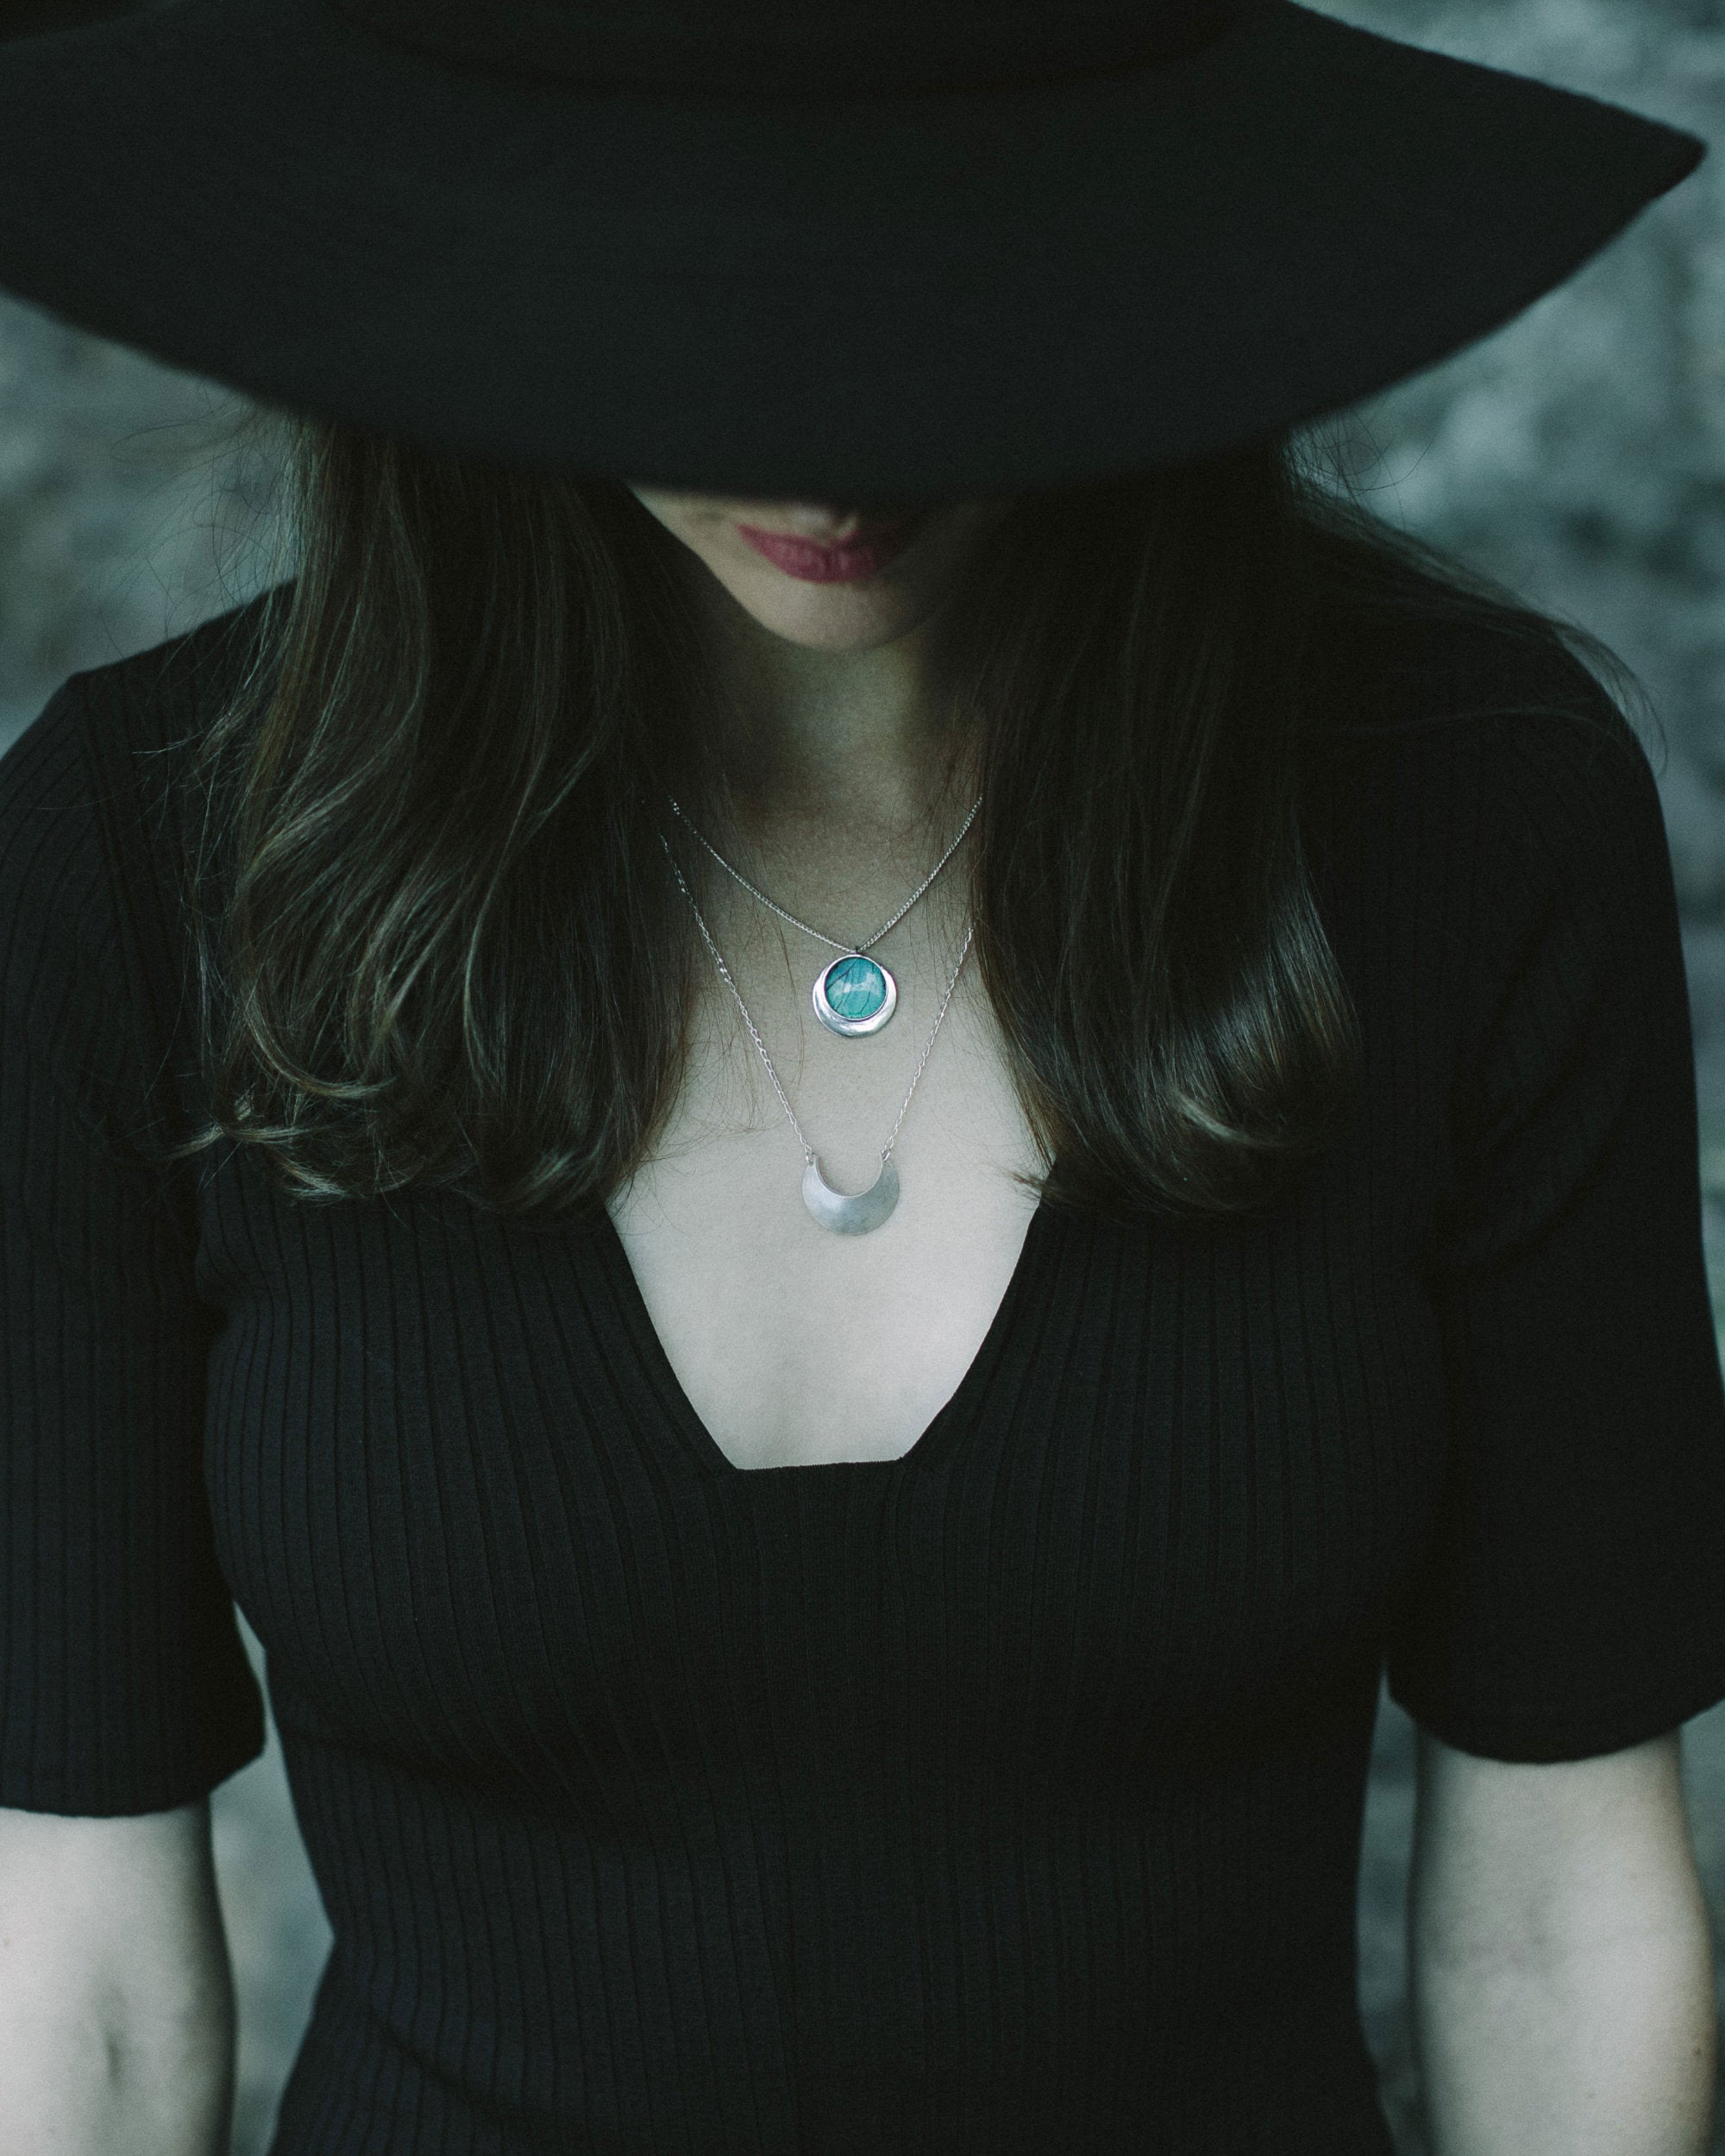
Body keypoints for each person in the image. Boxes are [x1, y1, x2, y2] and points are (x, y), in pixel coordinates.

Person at [0, 0, 1722, 2150]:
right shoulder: (130, 861)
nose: (830, 468)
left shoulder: (1472, 811)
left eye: (928, 304)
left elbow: (1557, 1909)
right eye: (714, 320)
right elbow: (76, 1974)